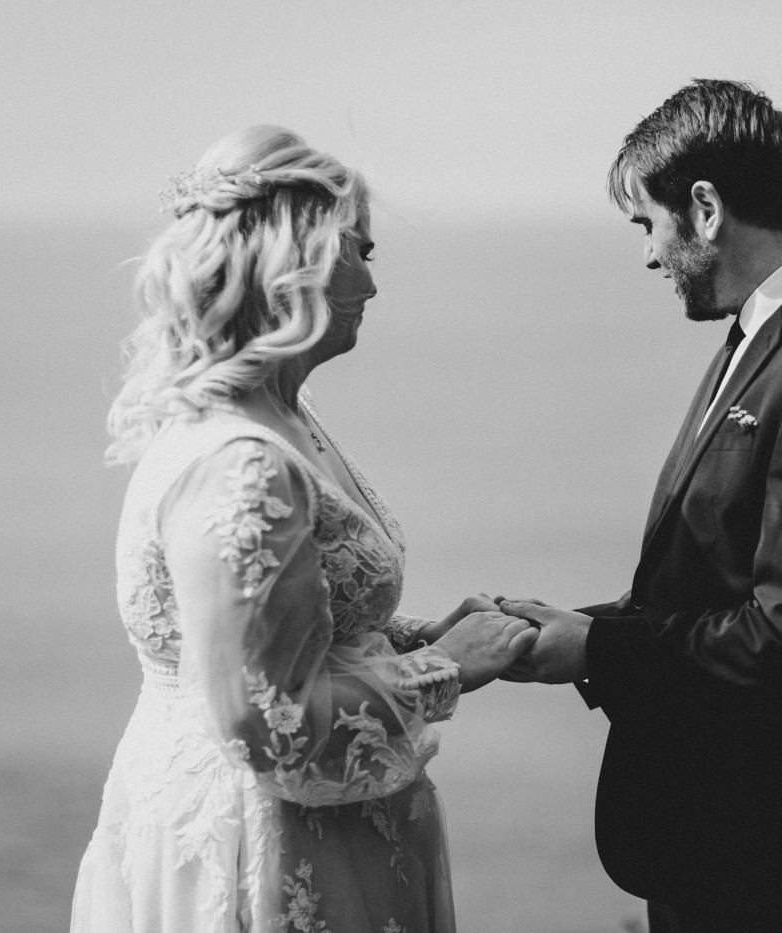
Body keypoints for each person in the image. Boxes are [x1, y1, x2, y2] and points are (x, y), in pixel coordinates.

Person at [71, 126, 536, 933]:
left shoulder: (286, 416)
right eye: (362, 249)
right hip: (264, 849)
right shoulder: (240, 462)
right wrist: (444, 669)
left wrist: (412, 635)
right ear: (300, 257)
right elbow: (273, 731)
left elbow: (293, 630)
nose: (373, 284)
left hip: (321, 829)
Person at [499, 80, 782, 931]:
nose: (649, 257)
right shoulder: (766, 331)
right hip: (723, 836)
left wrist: (597, 647)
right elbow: (712, 584)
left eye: (646, 225)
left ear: (703, 208)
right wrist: (562, 627)